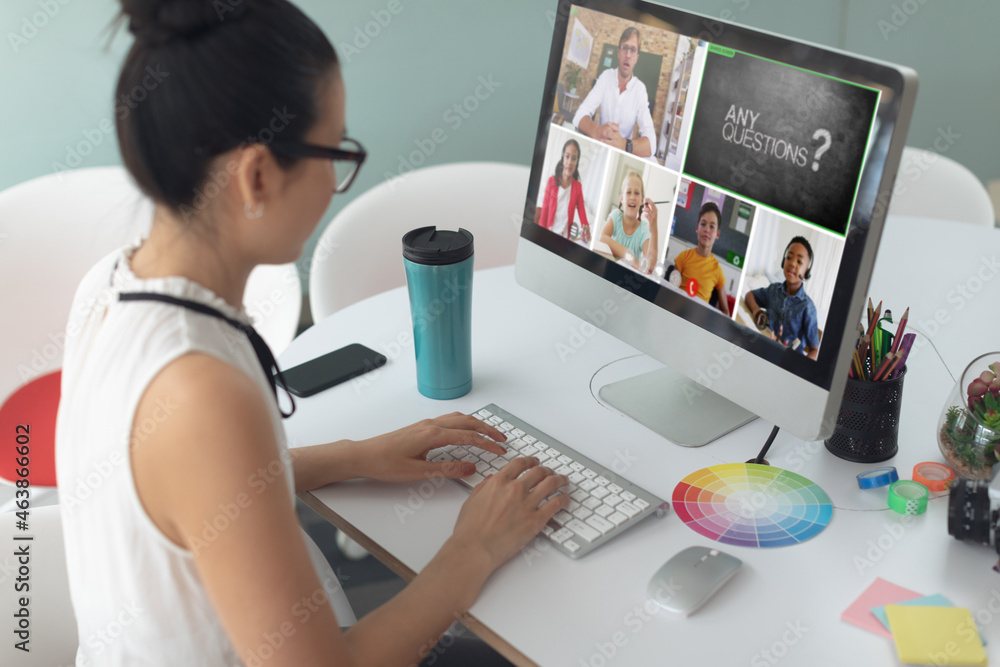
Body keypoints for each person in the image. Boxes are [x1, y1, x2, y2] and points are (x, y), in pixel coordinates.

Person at [54, 2, 569, 665]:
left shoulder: (107, 286)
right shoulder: (201, 391)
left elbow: (193, 489)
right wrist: (476, 547)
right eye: (335, 152)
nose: (335, 182)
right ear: (258, 174)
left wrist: (355, 455)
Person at [572, 26, 655, 159]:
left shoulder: (640, 90)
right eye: (624, 48)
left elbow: (651, 144)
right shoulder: (606, 77)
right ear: (618, 52)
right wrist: (596, 130)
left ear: (637, 58)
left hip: (621, 154)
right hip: (600, 145)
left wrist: (624, 145)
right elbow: (579, 115)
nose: (628, 55)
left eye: (633, 50)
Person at [744, 236, 820, 359]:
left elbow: (814, 350)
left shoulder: (808, 307)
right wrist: (756, 310)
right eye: (789, 257)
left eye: (799, 262)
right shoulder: (773, 290)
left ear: (806, 272)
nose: (792, 263)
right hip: (764, 351)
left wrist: (800, 369)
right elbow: (749, 295)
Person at [672, 202, 730, 315]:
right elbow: (670, 291)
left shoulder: (717, 271)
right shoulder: (683, 257)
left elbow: (725, 311)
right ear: (697, 228)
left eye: (712, 226)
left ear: (717, 234)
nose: (707, 229)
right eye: (703, 224)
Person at [600, 170, 658, 273]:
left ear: (641, 201)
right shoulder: (616, 216)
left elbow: (649, 267)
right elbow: (603, 238)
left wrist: (653, 230)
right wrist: (629, 256)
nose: (632, 197)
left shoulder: (643, 229)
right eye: (628, 192)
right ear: (622, 198)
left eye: (636, 193)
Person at [535, 138, 591, 242]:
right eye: (567, 156)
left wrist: (586, 229)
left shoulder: (577, 187)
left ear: (577, 162)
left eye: (573, 158)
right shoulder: (551, 182)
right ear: (563, 158)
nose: (569, 162)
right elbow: (544, 215)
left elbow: (582, 212)